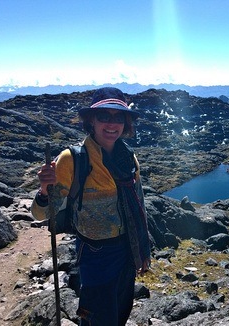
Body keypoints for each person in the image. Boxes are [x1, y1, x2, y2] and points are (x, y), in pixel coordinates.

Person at [31, 87, 151, 326]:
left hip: (127, 250)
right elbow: (41, 214)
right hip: (94, 254)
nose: (111, 124)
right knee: (96, 316)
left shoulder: (129, 158)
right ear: (91, 121)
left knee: (120, 312)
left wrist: (143, 251)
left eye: (118, 117)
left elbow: (140, 206)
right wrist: (45, 191)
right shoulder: (72, 159)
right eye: (104, 116)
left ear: (126, 123)